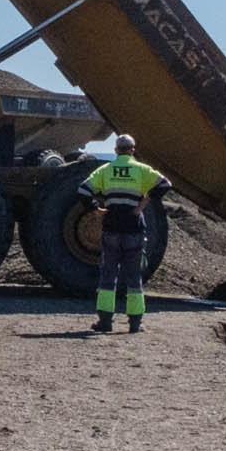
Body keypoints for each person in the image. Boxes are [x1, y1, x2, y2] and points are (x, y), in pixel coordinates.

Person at [83, 134, 165, 334]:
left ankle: (105, 322)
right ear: (133, 150)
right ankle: (135, 324)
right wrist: (143, 203)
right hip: (134, 229)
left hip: (111, 228)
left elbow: (83, 190)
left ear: (116, 150)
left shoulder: (106, 170)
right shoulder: (141, 170)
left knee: (108, 276)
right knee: (134, 277)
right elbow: (164, 185)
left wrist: (95, 208)